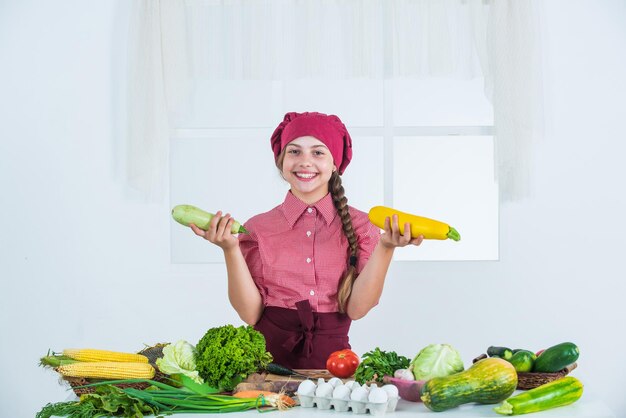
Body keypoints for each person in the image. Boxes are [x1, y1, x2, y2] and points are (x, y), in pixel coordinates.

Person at [190, 111, 423, 369]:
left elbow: (357, 309)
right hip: (265, 371)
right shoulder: (257, 228)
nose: (305, 162)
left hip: (337, 372)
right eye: (294, 152)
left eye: (318, 152)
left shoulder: (363, 225)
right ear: (281, 162)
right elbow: (250, 313)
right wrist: (229, 249)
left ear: (335, 163)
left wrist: (386, 247)